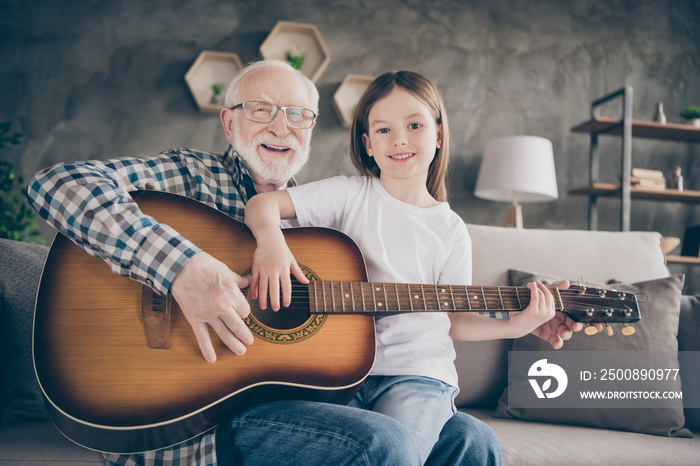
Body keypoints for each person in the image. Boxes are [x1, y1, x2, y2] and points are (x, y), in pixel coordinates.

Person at [27, 59, 534, 466]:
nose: (281, 126)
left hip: (300, 402)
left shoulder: (323, 221)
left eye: (297, 115)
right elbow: (57, 184)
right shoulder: (190, 175)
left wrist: (520, 321)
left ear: (312, 132)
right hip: (200, 413)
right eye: (262, 109)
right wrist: (182, 268)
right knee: (383, 443)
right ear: (229, 121)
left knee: (473, 441)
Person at [244, 71, 583, 464]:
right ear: (368, 145)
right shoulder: (349, 193)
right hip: (339, 372)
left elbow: (455, 321)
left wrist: (514, 326)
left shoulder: (450, 228)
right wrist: (271, 243)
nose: (399, 139)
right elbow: (262, 205)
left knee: (418, 449)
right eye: (383, 129)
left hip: (417, 375)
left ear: (438, 135)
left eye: (415, 125)